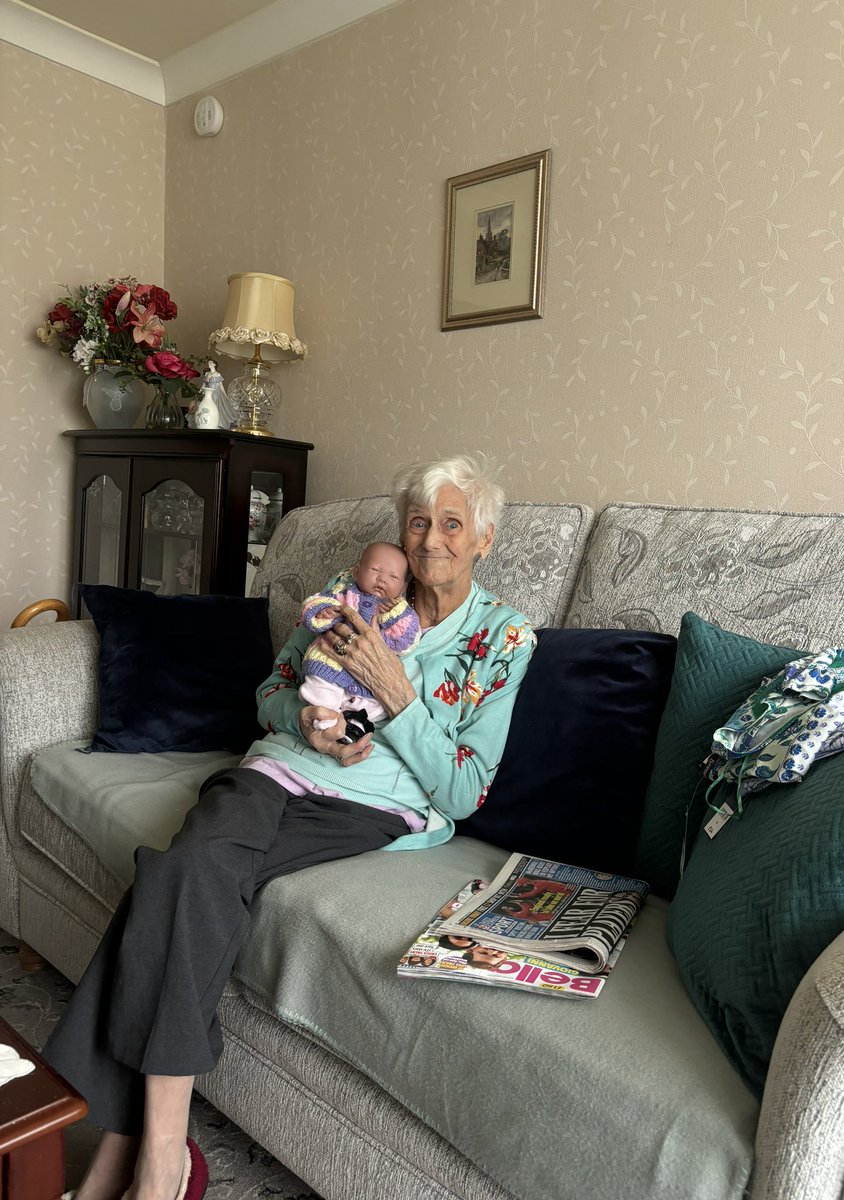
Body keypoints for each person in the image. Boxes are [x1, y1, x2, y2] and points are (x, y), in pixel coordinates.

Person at [43, 453, 535, 1200]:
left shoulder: (503, 639)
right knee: (185, 869)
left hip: (367, 808)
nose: (432, 539)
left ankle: (130, 1151)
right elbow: (271, 691)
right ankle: (159, 1151)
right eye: (419, 521)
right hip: (275, 766)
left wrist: (395, 692)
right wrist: (301, 718)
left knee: (186, 875)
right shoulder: (357, 595)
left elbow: (465, 789)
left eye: (453, 524)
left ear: (485, 540)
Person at [297, 541, 420, 741]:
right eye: (375, 570)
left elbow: (407, 642)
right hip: (331, 664)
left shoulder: (397, 609)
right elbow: (313, 605)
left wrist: (393, 617)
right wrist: (326, 612)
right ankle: (325, 720)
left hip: (370, 681)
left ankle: (353, 727)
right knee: (320, 687)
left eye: (393, 576)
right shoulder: (343, 594)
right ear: (356, 571)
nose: (382, 579)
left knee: (377, 707)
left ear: (403, 587)